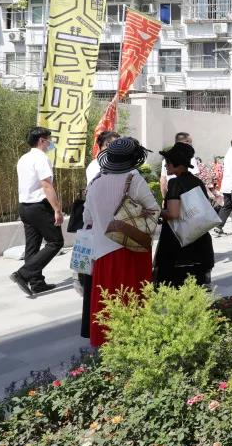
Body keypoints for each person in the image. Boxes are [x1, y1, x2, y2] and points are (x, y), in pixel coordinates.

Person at [82, 137, 158, 347]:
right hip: (132, 247)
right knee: (133, 298)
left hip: (102, 252)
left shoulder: (95, 182)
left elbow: (87, 217)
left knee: (107, 299)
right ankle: (134, 344)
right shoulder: (135, 179)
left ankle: (107, 345)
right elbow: (153, 209)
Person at [11, 127, 64, 298]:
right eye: (49, 139)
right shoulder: (41, 158)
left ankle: (37, 283)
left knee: (32, 246)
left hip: (25, 207)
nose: (51, 143)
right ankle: (23, 274)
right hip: (39, 206)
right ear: (42, 140)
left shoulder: (24, 158)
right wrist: (57, 209)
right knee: (55, 242)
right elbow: (46, 185)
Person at [154, 141, 216, 286]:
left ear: (176, 163)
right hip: (199, 239)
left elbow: (173, 214)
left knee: (174, 285)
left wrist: (157, 212)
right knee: (196, 285)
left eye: (168, 162)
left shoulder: (175, 183)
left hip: (178, 242)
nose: (165, 166)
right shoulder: (198, 181)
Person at [78, 129, 119, 339]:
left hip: (106, 230)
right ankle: (95, 327)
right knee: (96, 281)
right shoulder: (97, 167)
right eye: (114, 145)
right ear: (103, 146)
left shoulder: (116, 168)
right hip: (101, 230)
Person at [160, 132, 199, 197]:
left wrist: (165, 198)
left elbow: (163, 181)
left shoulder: (174, 183)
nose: (191, 145)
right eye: (189, 142)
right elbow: (195, 177)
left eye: (168, 163)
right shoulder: (190, 158)